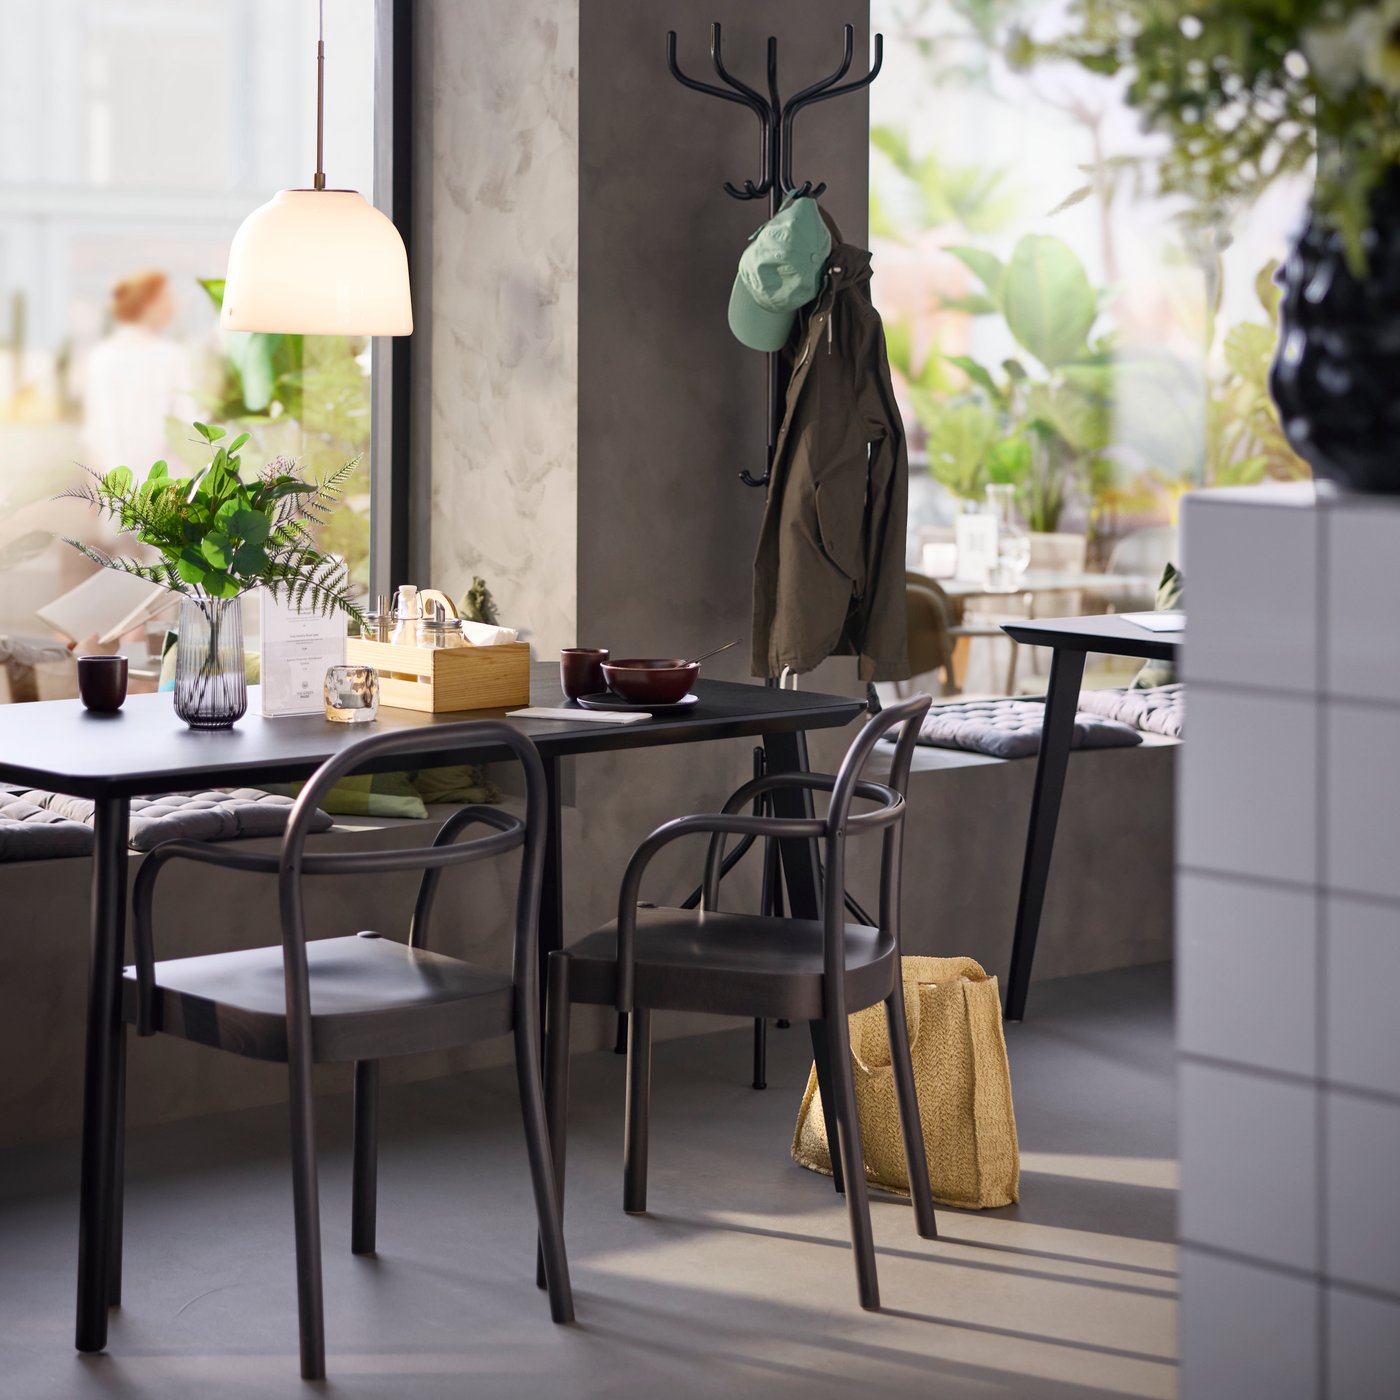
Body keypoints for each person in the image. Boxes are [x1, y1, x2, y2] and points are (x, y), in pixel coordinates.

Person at [80, 270, 194, 477]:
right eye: (167, 298)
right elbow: (186, 428)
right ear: (147, 304)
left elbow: (94, 435)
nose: (173, 306)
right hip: (165, 486)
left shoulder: (101, 357)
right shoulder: (171, 356)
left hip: (114, 485)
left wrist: (95, 495)